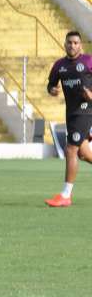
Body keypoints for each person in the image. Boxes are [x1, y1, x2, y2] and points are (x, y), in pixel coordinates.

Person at [45, 30, 92, 207]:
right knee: (83, 153)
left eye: (76, 43)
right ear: (65, 44)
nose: (72, 45)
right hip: (71, 113)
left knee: (71, 149)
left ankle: (66, 195)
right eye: (69, 42)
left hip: (86, 111)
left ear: (81, 45)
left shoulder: (89, 61)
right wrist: (52, 90)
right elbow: (50, 84)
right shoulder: (59, 65)